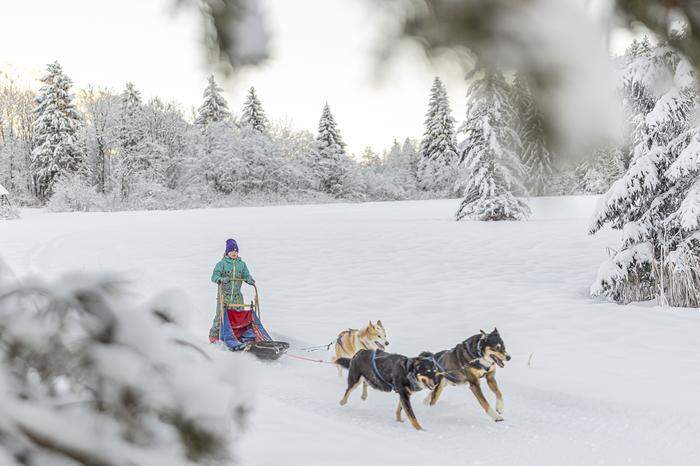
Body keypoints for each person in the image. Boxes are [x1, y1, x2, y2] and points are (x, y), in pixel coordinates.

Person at [209, 238, 256, 343]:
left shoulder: (242, 264)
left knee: (238, 316)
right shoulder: (222, 264)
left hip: (236, 296)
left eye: (235, 251)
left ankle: (238, 335)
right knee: (220, 316)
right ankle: (214, 336)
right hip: (224, 295)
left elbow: (246, 275)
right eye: (231, 251)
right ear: (227, 252)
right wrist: (221, 279)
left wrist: (249, 279)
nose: (234, 253)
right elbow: (214, 276)